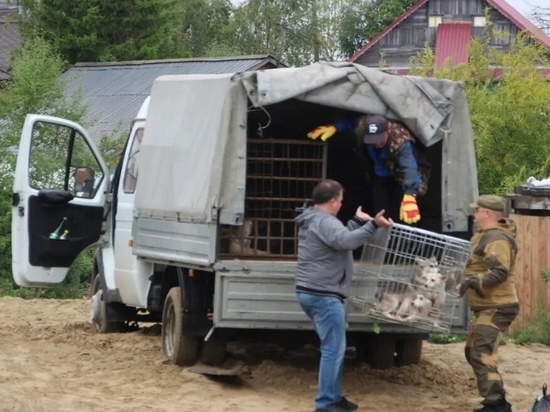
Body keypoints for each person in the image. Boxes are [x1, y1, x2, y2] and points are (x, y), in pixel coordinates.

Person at [295, 179, 393, 412]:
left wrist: (357, 221)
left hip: (312, 291)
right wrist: (372, 226)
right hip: (324, 295)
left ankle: (334, 397)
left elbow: (337, 240)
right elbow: (344, 241)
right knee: (333, 349)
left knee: (334, 347)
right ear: (332, 201)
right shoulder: (325, 221)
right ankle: (326, 403)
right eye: (340, 200)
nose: (340, 204)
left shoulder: (314, 219)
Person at [307, 114, 431, 225]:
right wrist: (335, 127)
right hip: (379, 175)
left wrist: (410, 194)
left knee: (404, 211)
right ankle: (382, 241)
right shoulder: (362, 127)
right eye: (373, 141)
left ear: (387, 130)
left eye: (380, 140)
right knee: (380, 210)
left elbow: (409, 167)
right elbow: (350, 121)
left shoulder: (400, 139)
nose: (376, 144)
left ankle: (404, 243)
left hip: (400, 176)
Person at [459, 195, 519, 412]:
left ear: (486, 213)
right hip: (488, 306)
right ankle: (497, 400)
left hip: (498, 307)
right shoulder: (485, 236)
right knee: (472, 351)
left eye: (477, 211)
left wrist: (470, 282)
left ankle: (496, 404)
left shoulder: (497, 239)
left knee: (481, 352)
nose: (474, 215)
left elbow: (499, 272)